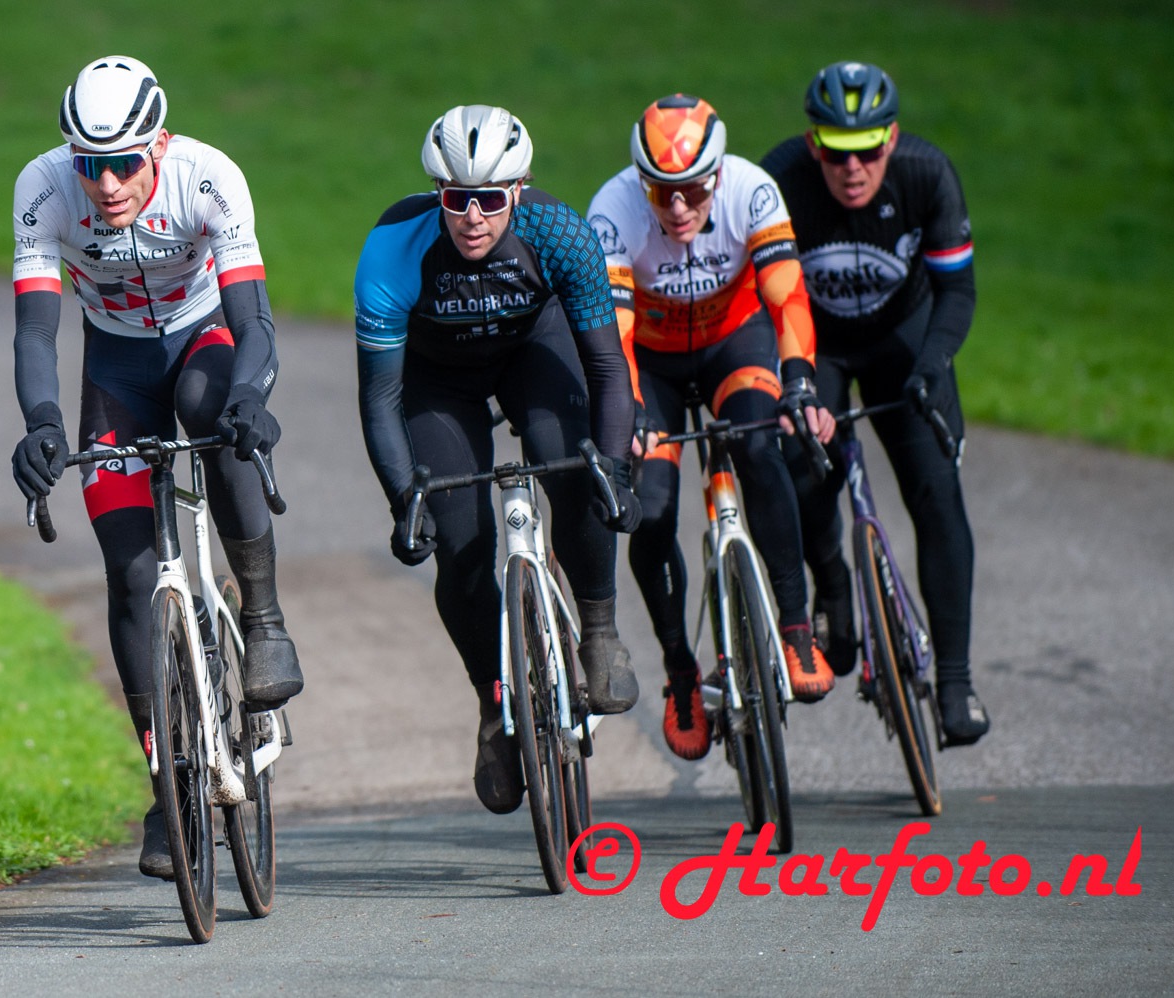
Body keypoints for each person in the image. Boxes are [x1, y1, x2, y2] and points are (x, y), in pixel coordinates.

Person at [8, 55, 305, 879]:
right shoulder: (42, 187)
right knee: (131, 572)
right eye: (90, 164)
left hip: (205, 339)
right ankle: (167, 781)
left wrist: (251, 397)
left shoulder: (209, 177)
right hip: (116, 368)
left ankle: (264, 618)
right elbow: (35, 331)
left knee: (216, 414)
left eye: (124, 163)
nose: (106, 184)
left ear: (159, 145)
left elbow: (254, 319)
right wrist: (41, 423)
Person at [354, 104, 642, 814]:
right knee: (460, 548)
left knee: (574, 470)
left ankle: (599, 629)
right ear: (438, 193)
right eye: (457, 198)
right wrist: (403, 498)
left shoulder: (559, 233)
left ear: (519, 189)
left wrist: (615, 469)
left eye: (489, 198)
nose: (473, 217)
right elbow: (380, 400)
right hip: (438, 383)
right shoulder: (393, 248)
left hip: (531, 354)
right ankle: (492, 703)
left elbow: (608, 368)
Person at [586, 95, 839, 762]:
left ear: (719, 175)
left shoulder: (753, 190)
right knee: (652, 509)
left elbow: (786, 294)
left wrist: (799, 381)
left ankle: (794, 626)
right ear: (641, 181)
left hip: (734, 342)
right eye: (661, 191)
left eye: (694, 190)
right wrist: (631, 411)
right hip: (653, 365)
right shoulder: (612, 209)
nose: (677, 208)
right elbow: (613, 331)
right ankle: (680, 670)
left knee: (759, 447)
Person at [760, 61, 989, 745]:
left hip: (904, 344)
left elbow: (957, 291)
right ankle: (833, 586)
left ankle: (955, 682)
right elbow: (758, 295)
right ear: (813, 144)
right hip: (819, 346)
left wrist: (932, 367)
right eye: (836, 152)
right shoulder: (781, 182)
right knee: (802, 473)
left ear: (891, 139)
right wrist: (792, 382)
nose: (852, 167)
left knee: (937, 494)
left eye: (867, 150)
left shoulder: (926, 173)